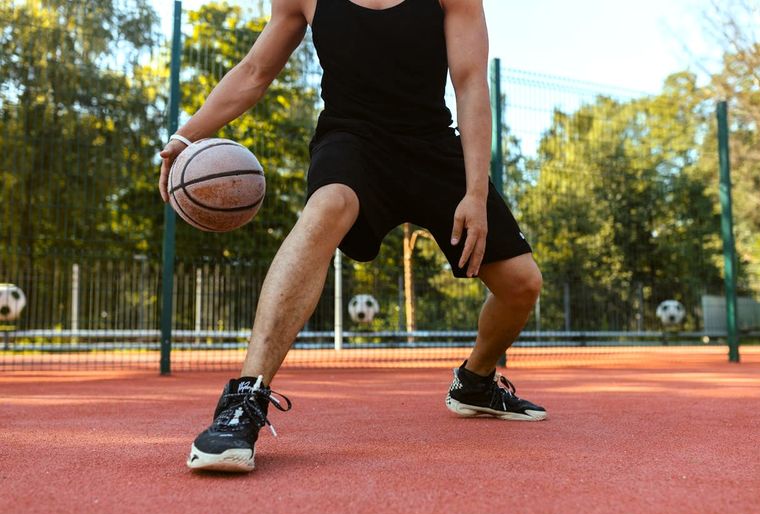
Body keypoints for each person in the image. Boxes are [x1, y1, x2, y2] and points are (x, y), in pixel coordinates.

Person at [159, 0, 547, 473]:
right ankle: (243, 400)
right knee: (328, 206)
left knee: (522, 284)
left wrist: (475, 193)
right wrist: (186, 136)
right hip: (350, 140)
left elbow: (469, 84)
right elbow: (255, 69)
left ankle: (475, 381)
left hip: (431, 146)